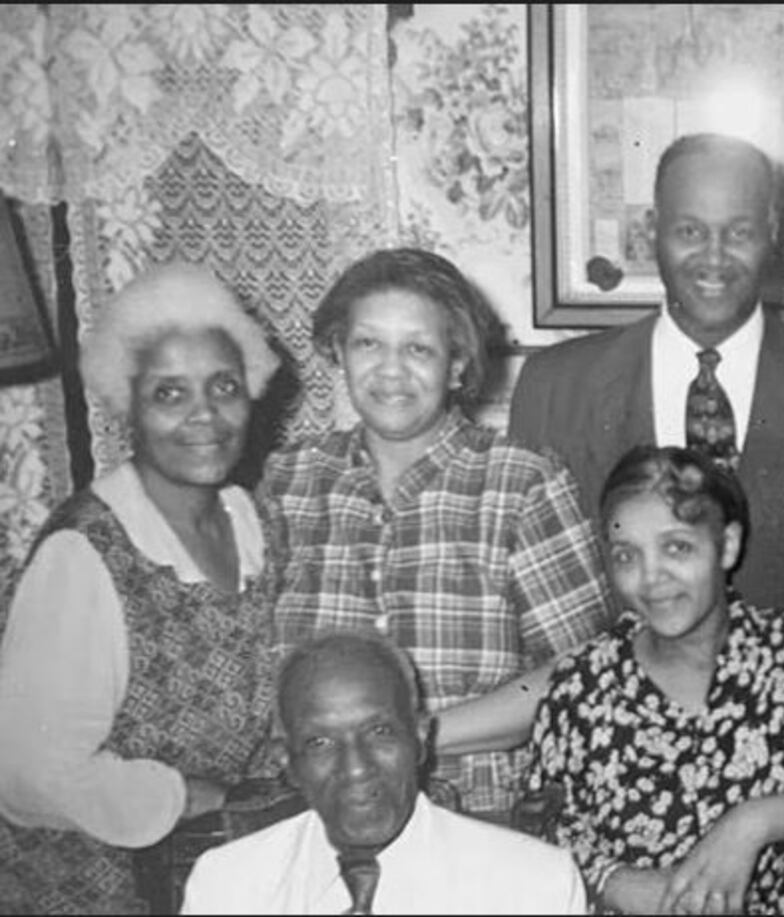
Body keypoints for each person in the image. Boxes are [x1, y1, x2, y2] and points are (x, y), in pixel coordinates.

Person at [261, 248, 614, 819]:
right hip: (314, 817)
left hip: (473, 815)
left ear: (456, 365)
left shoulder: (522, 482)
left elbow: (583, 674)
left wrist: (415, 737)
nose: (391, 370)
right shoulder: (290, 481)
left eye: (418, 349)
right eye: (368, 344)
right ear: (338, 352)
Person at [0, 263, 282, 913]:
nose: (204, 415)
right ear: (127, 402)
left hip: (211, 875)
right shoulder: (86, 552)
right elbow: (23, 771)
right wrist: (183, 796)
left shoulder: (252, 518)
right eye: (169, 393)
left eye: (223, 385)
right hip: (92, 889)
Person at [528, 446, 784, 914]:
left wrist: (753, 823)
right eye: (626, 556)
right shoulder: (583, 685)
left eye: (677, 548)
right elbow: (541, 830)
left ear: (727, 546)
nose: (652, 578)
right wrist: (618, 883)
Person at [508, 132, 784, 608]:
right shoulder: (554, 388)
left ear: (773, 233)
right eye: (690, 231)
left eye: (739, 232)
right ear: (651, 230)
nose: (714, 256)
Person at [181, 631, 586, 914]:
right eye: (320, 743)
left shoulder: (533, 885)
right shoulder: (227, 885)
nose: (356, 768)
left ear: (421, 738)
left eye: (379, 732)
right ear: (288, 762)